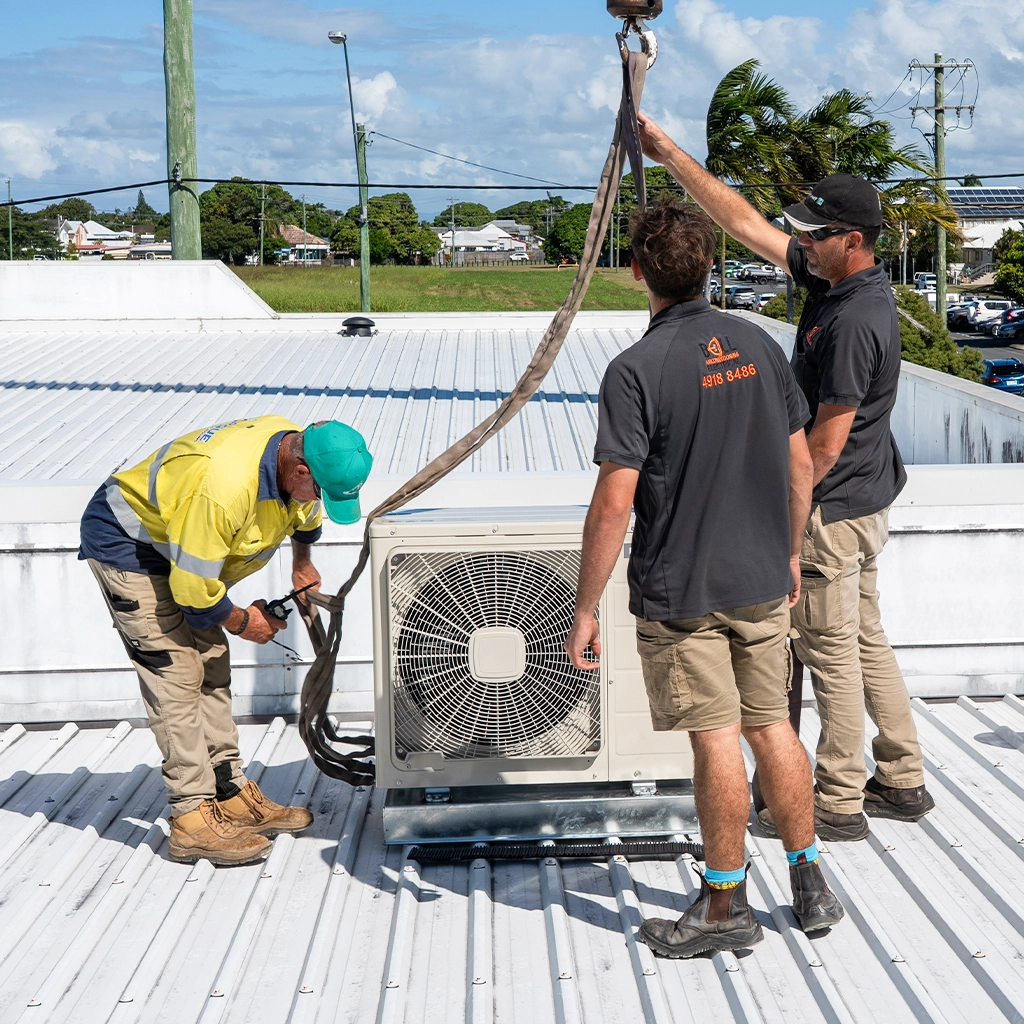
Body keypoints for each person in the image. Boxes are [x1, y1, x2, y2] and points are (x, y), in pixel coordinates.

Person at [635, 113, 934, 843]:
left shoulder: (856, 319)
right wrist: (670, 152)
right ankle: (901, 775)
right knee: (864, 638)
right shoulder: (834, 285)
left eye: (813, 235)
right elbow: (743, 224)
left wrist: (783, 523)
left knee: (828, 654)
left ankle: (836, 800)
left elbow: (823, 447)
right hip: (866, 502)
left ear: (852, 241)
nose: (798, 243)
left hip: (831, 511)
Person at [565, 201, 843, 957]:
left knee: (717, 738)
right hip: (761, 579)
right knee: (773, 726)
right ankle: (810, 879)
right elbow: (798, 465)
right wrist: (789, 555)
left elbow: (614, 499)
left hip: (682, 591)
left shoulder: (634, 372)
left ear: (637, 274)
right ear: (710, 268)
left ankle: (725, 905)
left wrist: (584, 607)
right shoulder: (758, 344)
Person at [80, 416, 372, 866]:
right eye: (321, 490)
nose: (320, 501)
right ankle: (192, 819)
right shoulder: (221, 488)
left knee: (212, 667)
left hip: (185, 546)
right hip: (132, 546)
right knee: (177, 677)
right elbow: (195, 592)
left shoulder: (303, 450)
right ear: (300, 471)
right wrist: (243, 622)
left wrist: (301, 561)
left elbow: (306, 515)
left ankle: (229, 792)